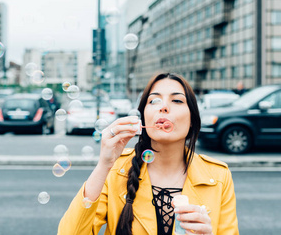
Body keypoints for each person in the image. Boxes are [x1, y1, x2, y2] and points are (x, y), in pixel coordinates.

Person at [58, 73, 239, 235]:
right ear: (143, 117)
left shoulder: (218, 177)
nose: (164, 107)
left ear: (192, 119)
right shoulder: (115, 170)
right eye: (154, 101)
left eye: (177, 101)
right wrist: (103, 166)